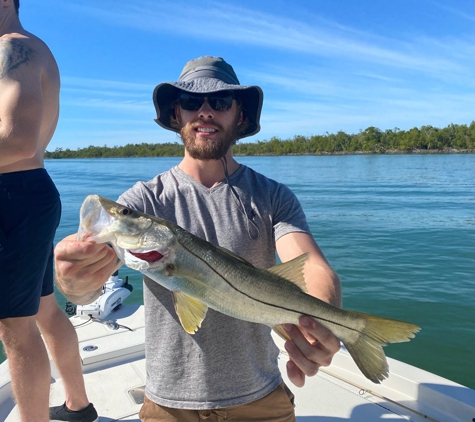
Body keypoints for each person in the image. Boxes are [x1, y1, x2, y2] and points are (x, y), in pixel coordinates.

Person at [54, 55, 342, 422]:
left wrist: (323, 322)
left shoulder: (273, 197)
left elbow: (312, 265)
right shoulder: (144, 201)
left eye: (220, 102)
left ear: (239, 115)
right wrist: (72, 279)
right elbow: (88, 287)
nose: (205, 111)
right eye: (191, 102)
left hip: (262, 399)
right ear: (177, 115)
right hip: (168, 405)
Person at [0, 1, 98, 421]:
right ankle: (78, 405)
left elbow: (17, 140)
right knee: (42, 309)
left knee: (14, 327)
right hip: (28, 193)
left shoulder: (13, 48)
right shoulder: (28, 48)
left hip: (13, 196)